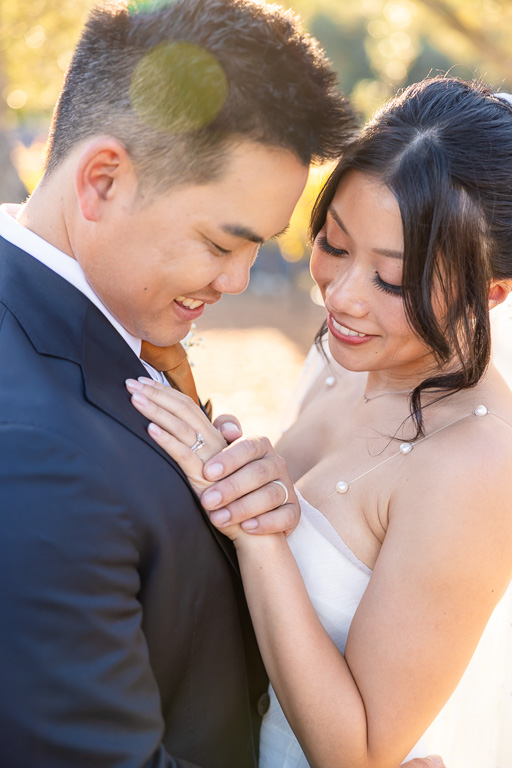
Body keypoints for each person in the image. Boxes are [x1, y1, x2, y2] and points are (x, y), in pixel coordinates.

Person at [0, 1, 358, 765]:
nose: (239, 280)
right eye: (220, 243)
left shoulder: (101, 331)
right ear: (102, 181)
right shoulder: (33, 450)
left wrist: (247, 527)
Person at [128, 77, 512, 767]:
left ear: (491, 293)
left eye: (393, 281)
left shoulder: (477, 466)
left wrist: (259, 535)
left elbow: (358, 753)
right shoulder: (346, 357)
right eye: (335, 245)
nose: (342, 296)